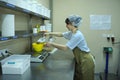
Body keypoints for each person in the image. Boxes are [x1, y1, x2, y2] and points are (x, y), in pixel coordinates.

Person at [45, 15, 95, 80]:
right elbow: (61, 34)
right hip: (80, 60)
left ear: (72, 24)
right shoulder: (72, 33)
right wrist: (49, 33)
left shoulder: (77, 35)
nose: (66, 26)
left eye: (67, 24)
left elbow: (65, 48)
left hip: (86, 60)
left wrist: (51, 44)